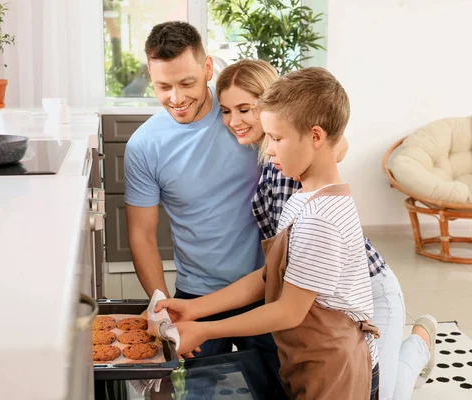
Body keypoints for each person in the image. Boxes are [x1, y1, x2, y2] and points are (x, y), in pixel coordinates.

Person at [216, 59, 438, 398]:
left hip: (368, 288)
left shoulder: (297, 175)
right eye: (226, 110)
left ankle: (419, 344)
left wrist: (203, 327)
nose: (235, 121)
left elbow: (334, 143)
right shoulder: (282, 167)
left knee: (386, 392)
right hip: (324, 295)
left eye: (246, 109)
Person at [156, 67, 382, 399]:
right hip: (312, 361)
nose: (270, 149)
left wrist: (205, 330)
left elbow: (287, 311)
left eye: (277, 138)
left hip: (339, 370)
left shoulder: (322, 218)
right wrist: (195, 308)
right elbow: (267, 277)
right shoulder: (303, 197)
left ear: (316, 137)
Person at [123, 21, 278, 365]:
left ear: (208, 68)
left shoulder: (243, 118)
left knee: (279, 388)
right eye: (163, 86)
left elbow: (321, 137)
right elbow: (142, 235)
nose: (176, 99)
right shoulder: (144, 146)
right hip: (196, 296)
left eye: (187, 83)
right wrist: (159, 305)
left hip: (267, 289)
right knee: (197, 389)